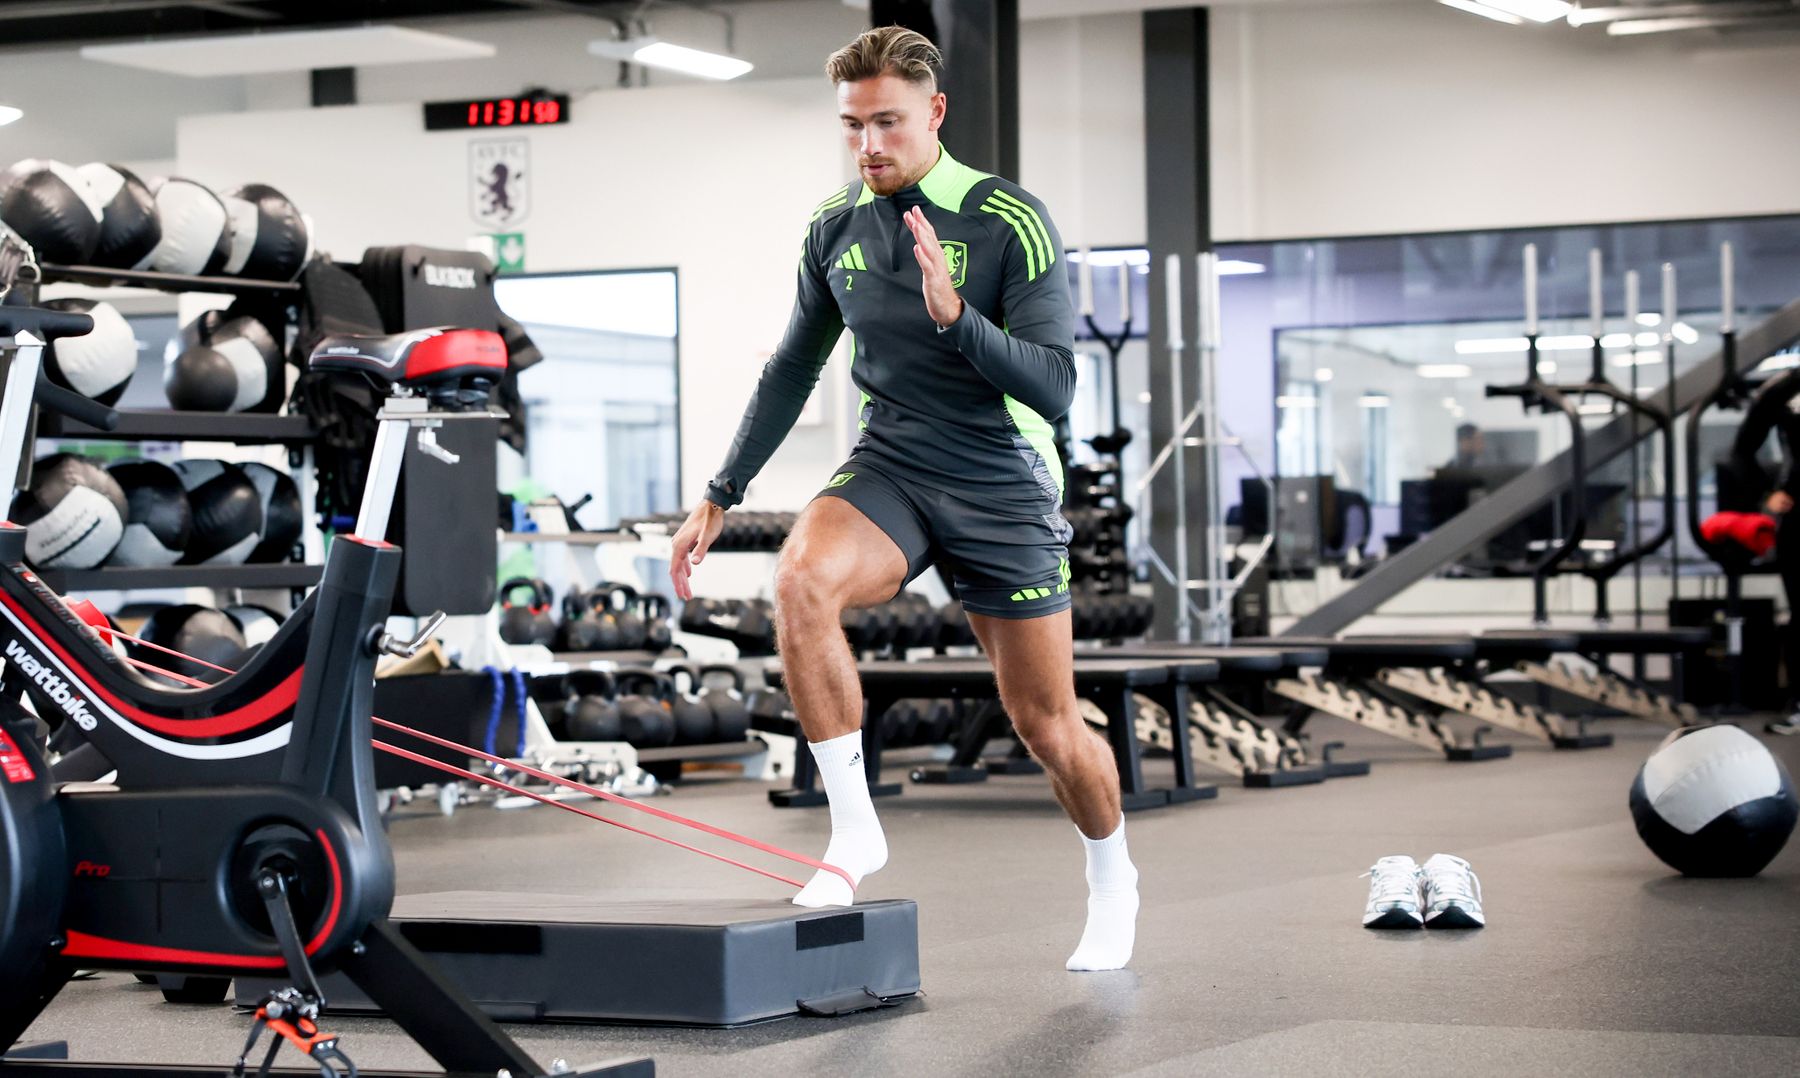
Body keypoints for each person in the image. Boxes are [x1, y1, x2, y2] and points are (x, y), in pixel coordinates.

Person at [667, 26, 1138, 971]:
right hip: (894, 462)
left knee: (1046, 724)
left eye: (887, 121)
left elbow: (1054, 387)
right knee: (801, 580)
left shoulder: (1010, 221)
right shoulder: (834, 227)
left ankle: (1112, 874)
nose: (870, 144)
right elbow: (796, 363)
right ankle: (853, 832)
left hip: (1003, 475)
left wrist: (956, 318)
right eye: (852, 126)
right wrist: (721, 492)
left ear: (935, 113)